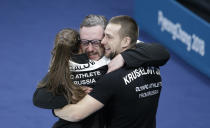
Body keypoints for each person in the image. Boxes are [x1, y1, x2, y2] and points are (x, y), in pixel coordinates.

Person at [33, 15, 170, 128]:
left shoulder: (118, 54)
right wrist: (74, 93)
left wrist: (124, 57)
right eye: (85, 42)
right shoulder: (75, 61)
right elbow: (40, 96)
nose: (90, 49)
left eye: (96, 42)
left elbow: (161, 52)